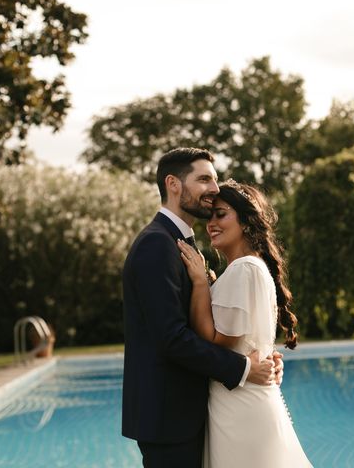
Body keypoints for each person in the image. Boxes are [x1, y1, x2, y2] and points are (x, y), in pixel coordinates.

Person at [122, 148, 284, 468]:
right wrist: (243, 368)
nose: (214, 187)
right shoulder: (156, 244)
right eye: (204, 179)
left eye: (214, 178)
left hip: (191, 415)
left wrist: (257, 352)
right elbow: (171, 338)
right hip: (169, 420)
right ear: (174, 184)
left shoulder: (181, 242)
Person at [177, 179, 313, 468]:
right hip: (243, 399)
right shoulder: (251, 267)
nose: (211, 223)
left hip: (240, 408)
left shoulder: (243, 269)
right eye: (210, 215)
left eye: (221, 214)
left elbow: (217, 341)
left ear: (246, 221)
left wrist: (200, 282)